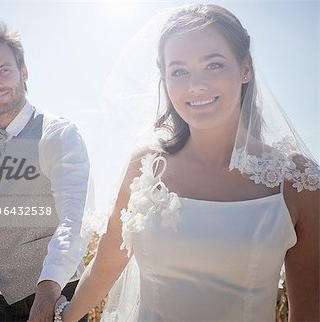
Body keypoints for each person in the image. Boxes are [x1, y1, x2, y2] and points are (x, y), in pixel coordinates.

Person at [53, 4, 319, 321]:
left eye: (214, 65)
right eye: (179, 71)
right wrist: (64, 317)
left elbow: (309, 310)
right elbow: (108, 260)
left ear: (245, 67)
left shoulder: (296, 181)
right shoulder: (146, 166)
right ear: (164, 78)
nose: (195, 85)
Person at [0, 23, 90, 322]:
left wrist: (49, 288)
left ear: (23, 71)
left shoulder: (58, 134)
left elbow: (73, 220)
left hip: (50, 299)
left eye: (4, 70)